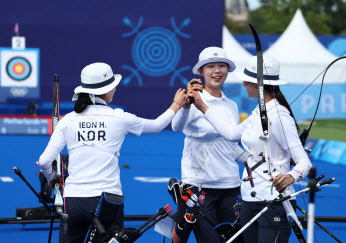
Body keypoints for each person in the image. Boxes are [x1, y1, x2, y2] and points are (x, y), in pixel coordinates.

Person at [37, 62, 187, 242]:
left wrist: (52, 176)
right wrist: (176, 104)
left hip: (73, 200)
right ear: (107, 90)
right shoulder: (119, 117)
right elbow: (156, 126)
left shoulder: (68, 119)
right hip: (106, 201)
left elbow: (44, 161)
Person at [187, 55, 312, 242]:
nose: (244, 83)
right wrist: (202, 106)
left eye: (247, 80)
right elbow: (231, 134)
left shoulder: (279, 116)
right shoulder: (257, 112)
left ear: (256, 85)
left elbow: (304, 163)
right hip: (249, 201)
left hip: (274, 203)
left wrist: (290, 176)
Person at [171, 47, 248, 242]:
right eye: (211, 66)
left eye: (222, 66)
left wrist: (255, 162)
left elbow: (230, 146)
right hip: (199, 186)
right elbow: (176, 127)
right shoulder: (193, 99)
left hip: (230, 185)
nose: (217, 71)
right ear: (201, 72)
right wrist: (186, 105)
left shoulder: (232, 105)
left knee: (235, 239)